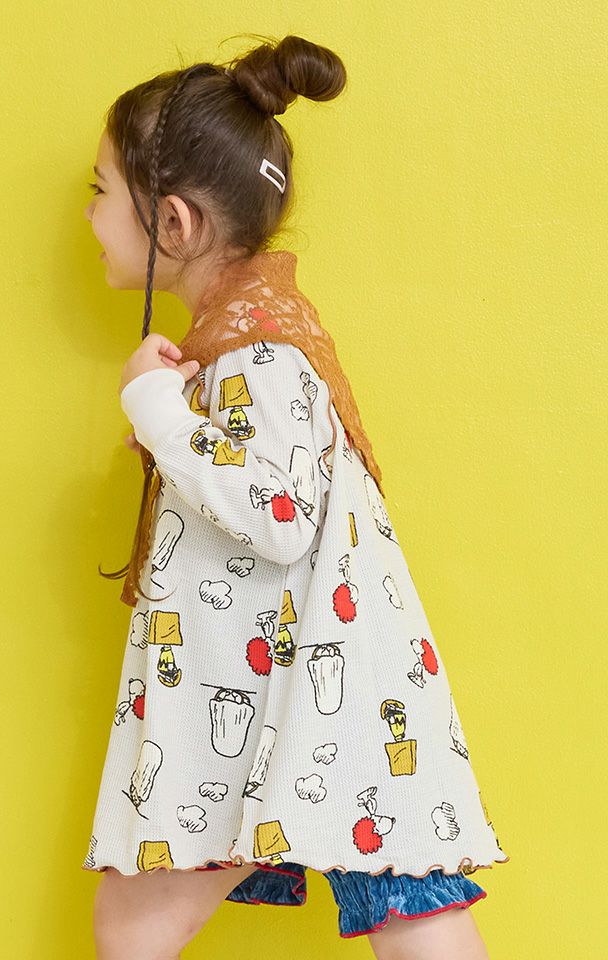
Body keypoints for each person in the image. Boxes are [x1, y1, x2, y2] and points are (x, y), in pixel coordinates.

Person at [81, 34, 509, 960]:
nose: (88, 214)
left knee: (413, 914)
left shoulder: (260, 353)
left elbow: (277, 515)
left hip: (316, 701)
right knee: (143, 922)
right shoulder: (243, 345)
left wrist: (158, 411)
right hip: (275, 700)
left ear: (173, 223)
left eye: (100, 190)